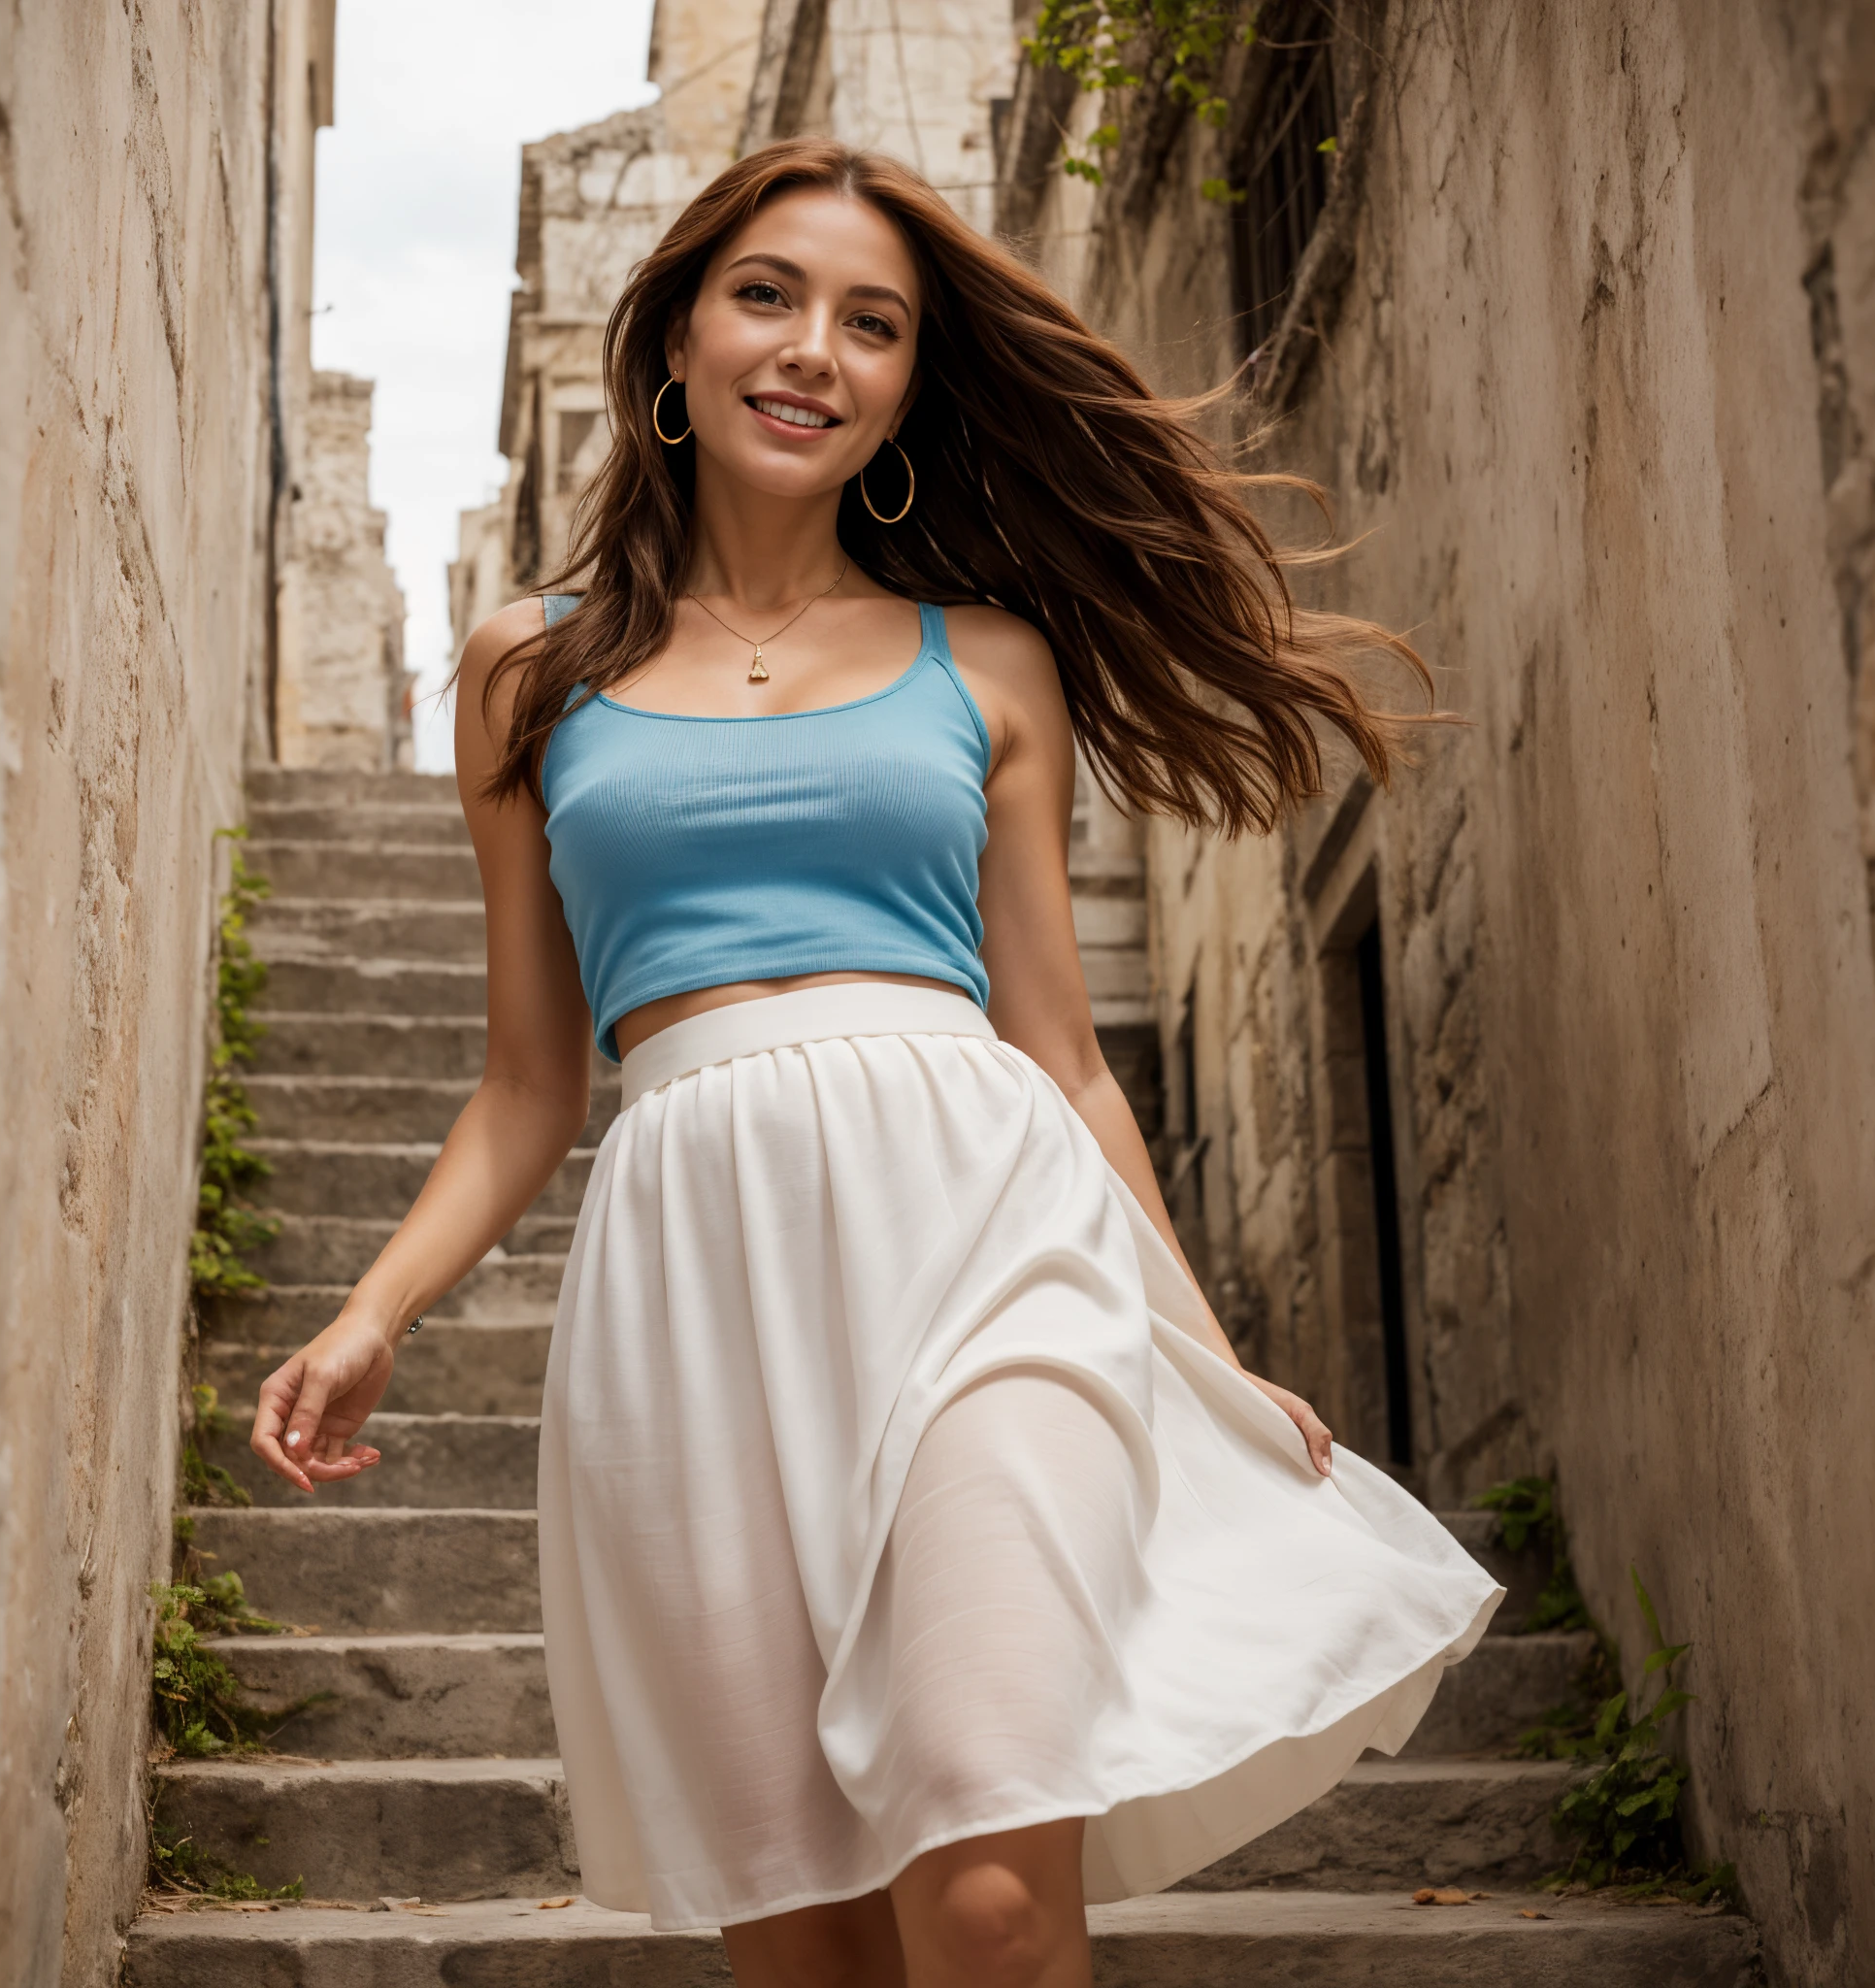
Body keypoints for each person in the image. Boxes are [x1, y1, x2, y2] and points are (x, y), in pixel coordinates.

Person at [250, 139, 1500, 1988]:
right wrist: (373, 1314)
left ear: (909, 383)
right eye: (767, 294)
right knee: (810, 1940)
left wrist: (1205, 1354)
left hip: (990, 1248)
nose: (812, 347)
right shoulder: (533, 671)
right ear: (674, 332)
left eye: (872, 321)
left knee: (990, 1895)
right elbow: (531, 1081)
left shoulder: (985, 661)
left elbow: (1061, 1057)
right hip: (691, 1304)